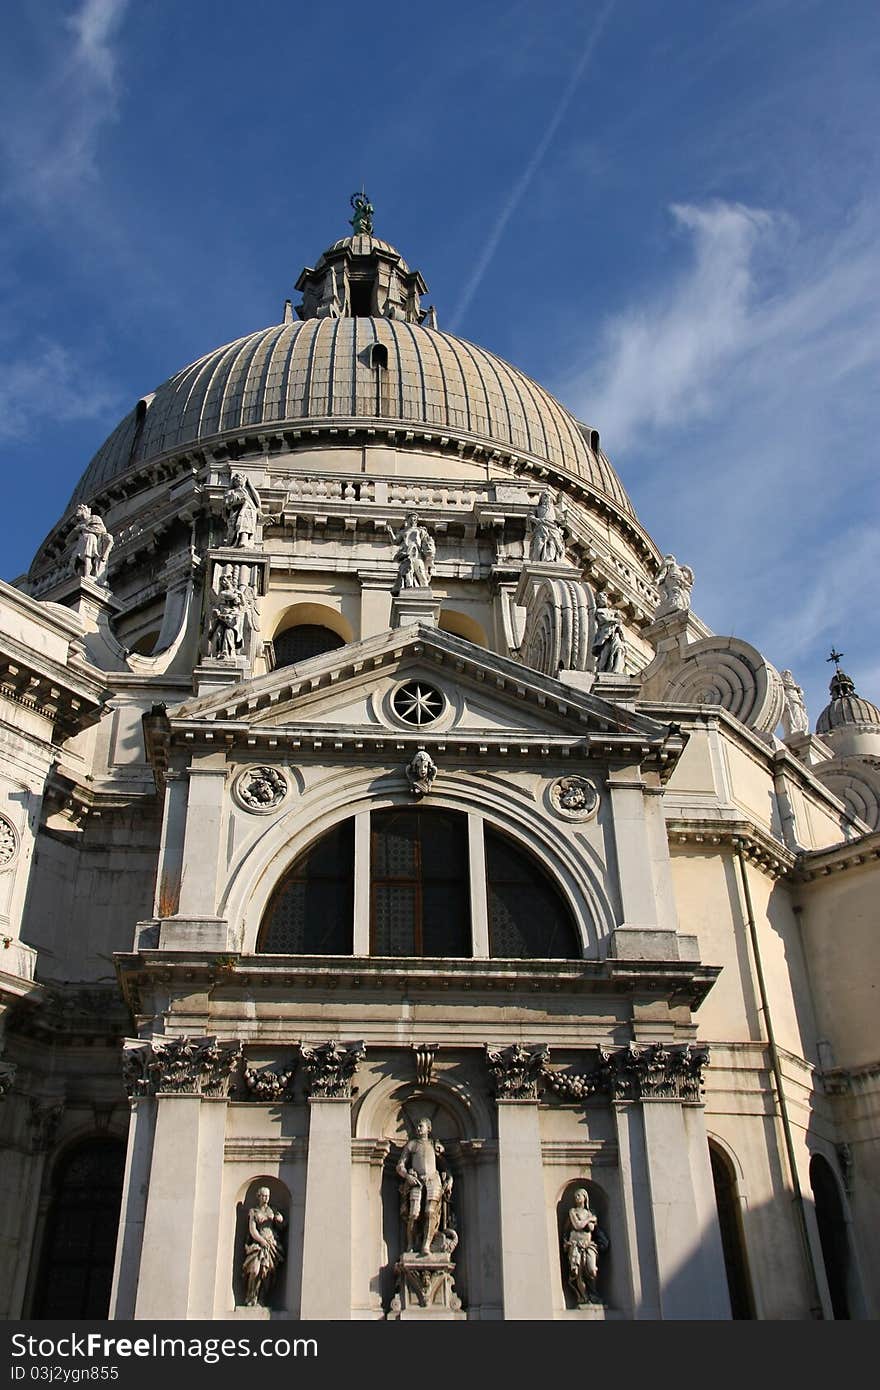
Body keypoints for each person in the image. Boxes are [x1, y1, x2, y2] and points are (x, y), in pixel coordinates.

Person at [396, 1117, 453, 1255]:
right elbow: (400, 1165)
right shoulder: (412, 1145)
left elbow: (444, 1166)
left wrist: (450, 1179)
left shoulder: (434, 1145)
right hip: (417, 1181)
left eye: (421, 1126)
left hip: (433, 1180)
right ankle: (410, 1243)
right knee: (413, 1214)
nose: (418, 1128)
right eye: (417, 1126)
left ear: (429, 1128)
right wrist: (407, 1176)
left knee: (430, 1212)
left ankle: (426, 1245)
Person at [562, 1188, 607, 1304]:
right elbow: (577, 1225)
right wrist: (589, 1219)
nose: (576, 1198)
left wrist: (588, 1221)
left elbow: (591, 1228)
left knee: (592, 1270)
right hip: (575, 1245)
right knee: (578, 1273)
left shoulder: (589, 1212)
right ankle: (583, 1297)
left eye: (579, 1195)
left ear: (584, 1198)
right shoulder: (573, 1211)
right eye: (575, 1196)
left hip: (588, 1245)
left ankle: (593, 1294)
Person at [242, 1186, 285, 1307]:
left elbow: (281, 1225)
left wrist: (279, 1219)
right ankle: (251, 1296)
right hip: (258, 1244)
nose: (266, 1198)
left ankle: (262, 1298)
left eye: (267, 1196)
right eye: (263, 1196)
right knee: (255, 1270)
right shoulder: (253, 1212)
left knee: (267, 1272)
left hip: (271, 1243)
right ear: (258, 1196)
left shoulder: (272, 1211)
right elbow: (252, 1229)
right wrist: (260, 1240)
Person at [387, 513, 435, 591]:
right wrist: (390, 532)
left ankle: (425, 589)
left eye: (415, 518)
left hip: (417, 553)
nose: (414, 519)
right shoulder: (403, 531)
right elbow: (395, 541)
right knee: (407, 572)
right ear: (408, 519)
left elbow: (427, 542)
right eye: (412, 518)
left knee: (420, 571)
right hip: (406, 554)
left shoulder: (420, 530)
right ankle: (408, 587)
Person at [71, 504, 114, 583]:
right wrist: (75, 530)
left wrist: (84, 528)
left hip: (90, 540)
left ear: (85, 510)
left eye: (79, 510)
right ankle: (82, 576)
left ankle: (87, 574)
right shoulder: (79, 524)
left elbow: (101, 530)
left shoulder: (94, 518)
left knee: (88, 557)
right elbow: (68, 540)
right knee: (79, 561)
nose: (77, 514)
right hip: (82, 541)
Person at [527, 490, 566, 563]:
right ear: (541, 499)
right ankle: (537, 559)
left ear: (550, 499)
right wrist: (536, 520)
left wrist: (560, 522)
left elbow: (561, 519)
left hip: (552, 528)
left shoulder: (555, 509)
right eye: (544, 496)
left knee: (552, 544)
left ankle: (549, 558)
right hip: (541, 527)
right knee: (539, 543)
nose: (546, 498)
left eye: (548, 496)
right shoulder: (537, 509)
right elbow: (530, 516)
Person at [592, 592, 626, 673]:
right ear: (598, 601)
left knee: (619, 649)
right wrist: (616, 620)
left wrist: (617, 615)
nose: (602, 600)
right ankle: (602, 671)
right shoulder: (600, 611)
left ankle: (616, 670)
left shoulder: (611, 611)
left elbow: (616, 615)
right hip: (605, 637)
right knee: (605, 656)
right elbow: (604, 619)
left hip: (615, 634)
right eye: (600, 599)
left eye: (603, 598)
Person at [225, 473, 260, 548]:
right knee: (237, 526)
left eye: (241, 479)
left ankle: (244, 540)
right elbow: (228, 504)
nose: (239, 481)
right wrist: (240, 501)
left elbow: (257, 500)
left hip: (249, 511)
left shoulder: (248, 491)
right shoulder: (231, 491)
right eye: (236, 480)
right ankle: (235, 541)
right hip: (236, 512)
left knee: (246, 526)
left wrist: (250, 485)